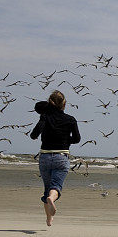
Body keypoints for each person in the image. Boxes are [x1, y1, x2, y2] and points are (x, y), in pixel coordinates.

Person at [30, 90, 80, 226]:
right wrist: (65, 139)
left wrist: (44, 118)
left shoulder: (45, 117)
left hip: (45, 157)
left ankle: (49, 218)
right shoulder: (70, 119)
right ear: (64, 104)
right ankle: (52, 200)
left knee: (47, 188)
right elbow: (77, 139)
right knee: (55, 187)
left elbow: (34, 134)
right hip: (61, 157)